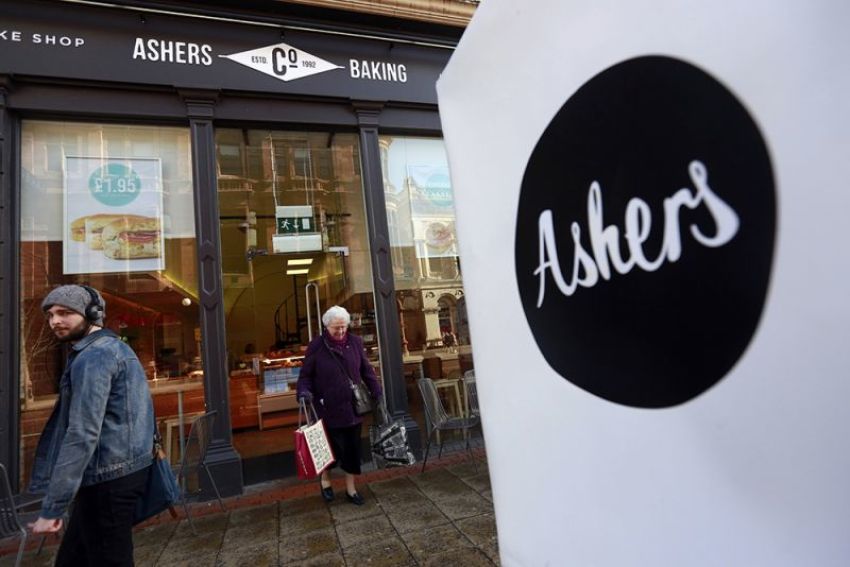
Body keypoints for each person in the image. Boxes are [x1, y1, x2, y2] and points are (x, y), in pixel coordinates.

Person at [28, 284, 155, 566]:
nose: (54, 321)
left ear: (92, 314)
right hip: (115, 474)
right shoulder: (115, 348)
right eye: (50, 315)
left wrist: (53, 508)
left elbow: (82, 433)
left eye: (64, 312)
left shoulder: (94, 357)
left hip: (106, 480)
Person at [296, 305, 382, 505]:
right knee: (329, 449)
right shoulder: (317, 346)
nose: (341, 331)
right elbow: (306, 376)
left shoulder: (355, 342)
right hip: (327, 408)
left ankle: (351, 489)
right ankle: (325, 481)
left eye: (344, 327)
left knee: (352, 450)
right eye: (336, 328)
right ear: (327, 326)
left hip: (353, 407)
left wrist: (376, 391)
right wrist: (303, 392)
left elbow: (366, 370)